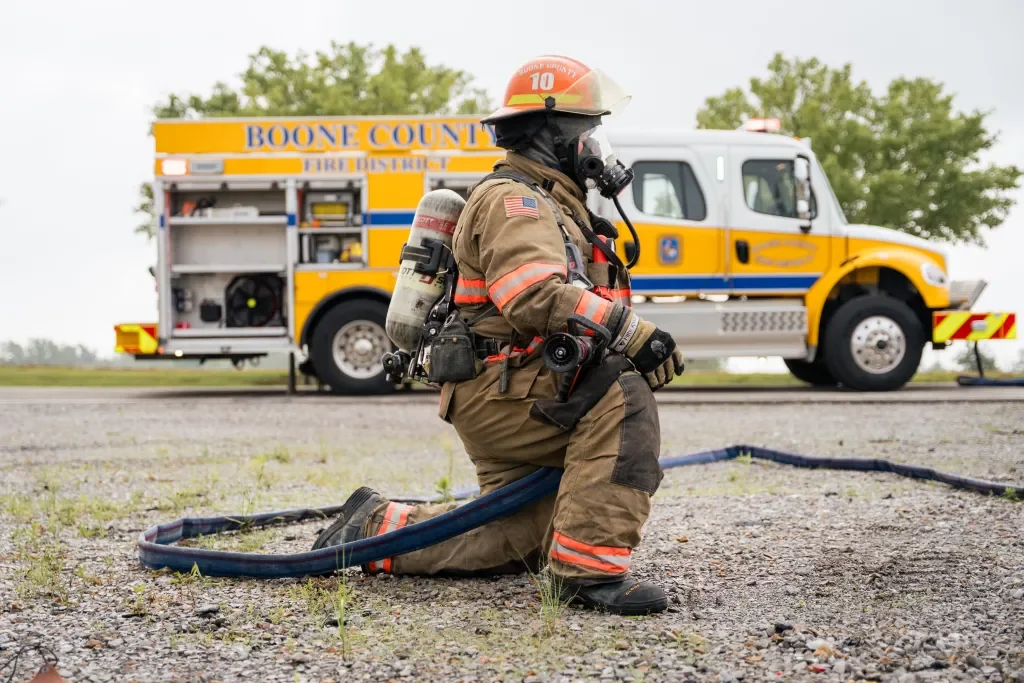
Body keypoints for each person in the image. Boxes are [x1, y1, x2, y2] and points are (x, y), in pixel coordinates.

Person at [312, 55, 684, 615]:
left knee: (516, 539)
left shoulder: (556, 205)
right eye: (587, 131)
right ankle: (586, 575)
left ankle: (370, 529)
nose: (595, 146)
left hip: (506, 387)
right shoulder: (517, 202)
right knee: (622, 398)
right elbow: (532, 295)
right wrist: (633, 333)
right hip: (502, 390)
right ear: (553, 135)